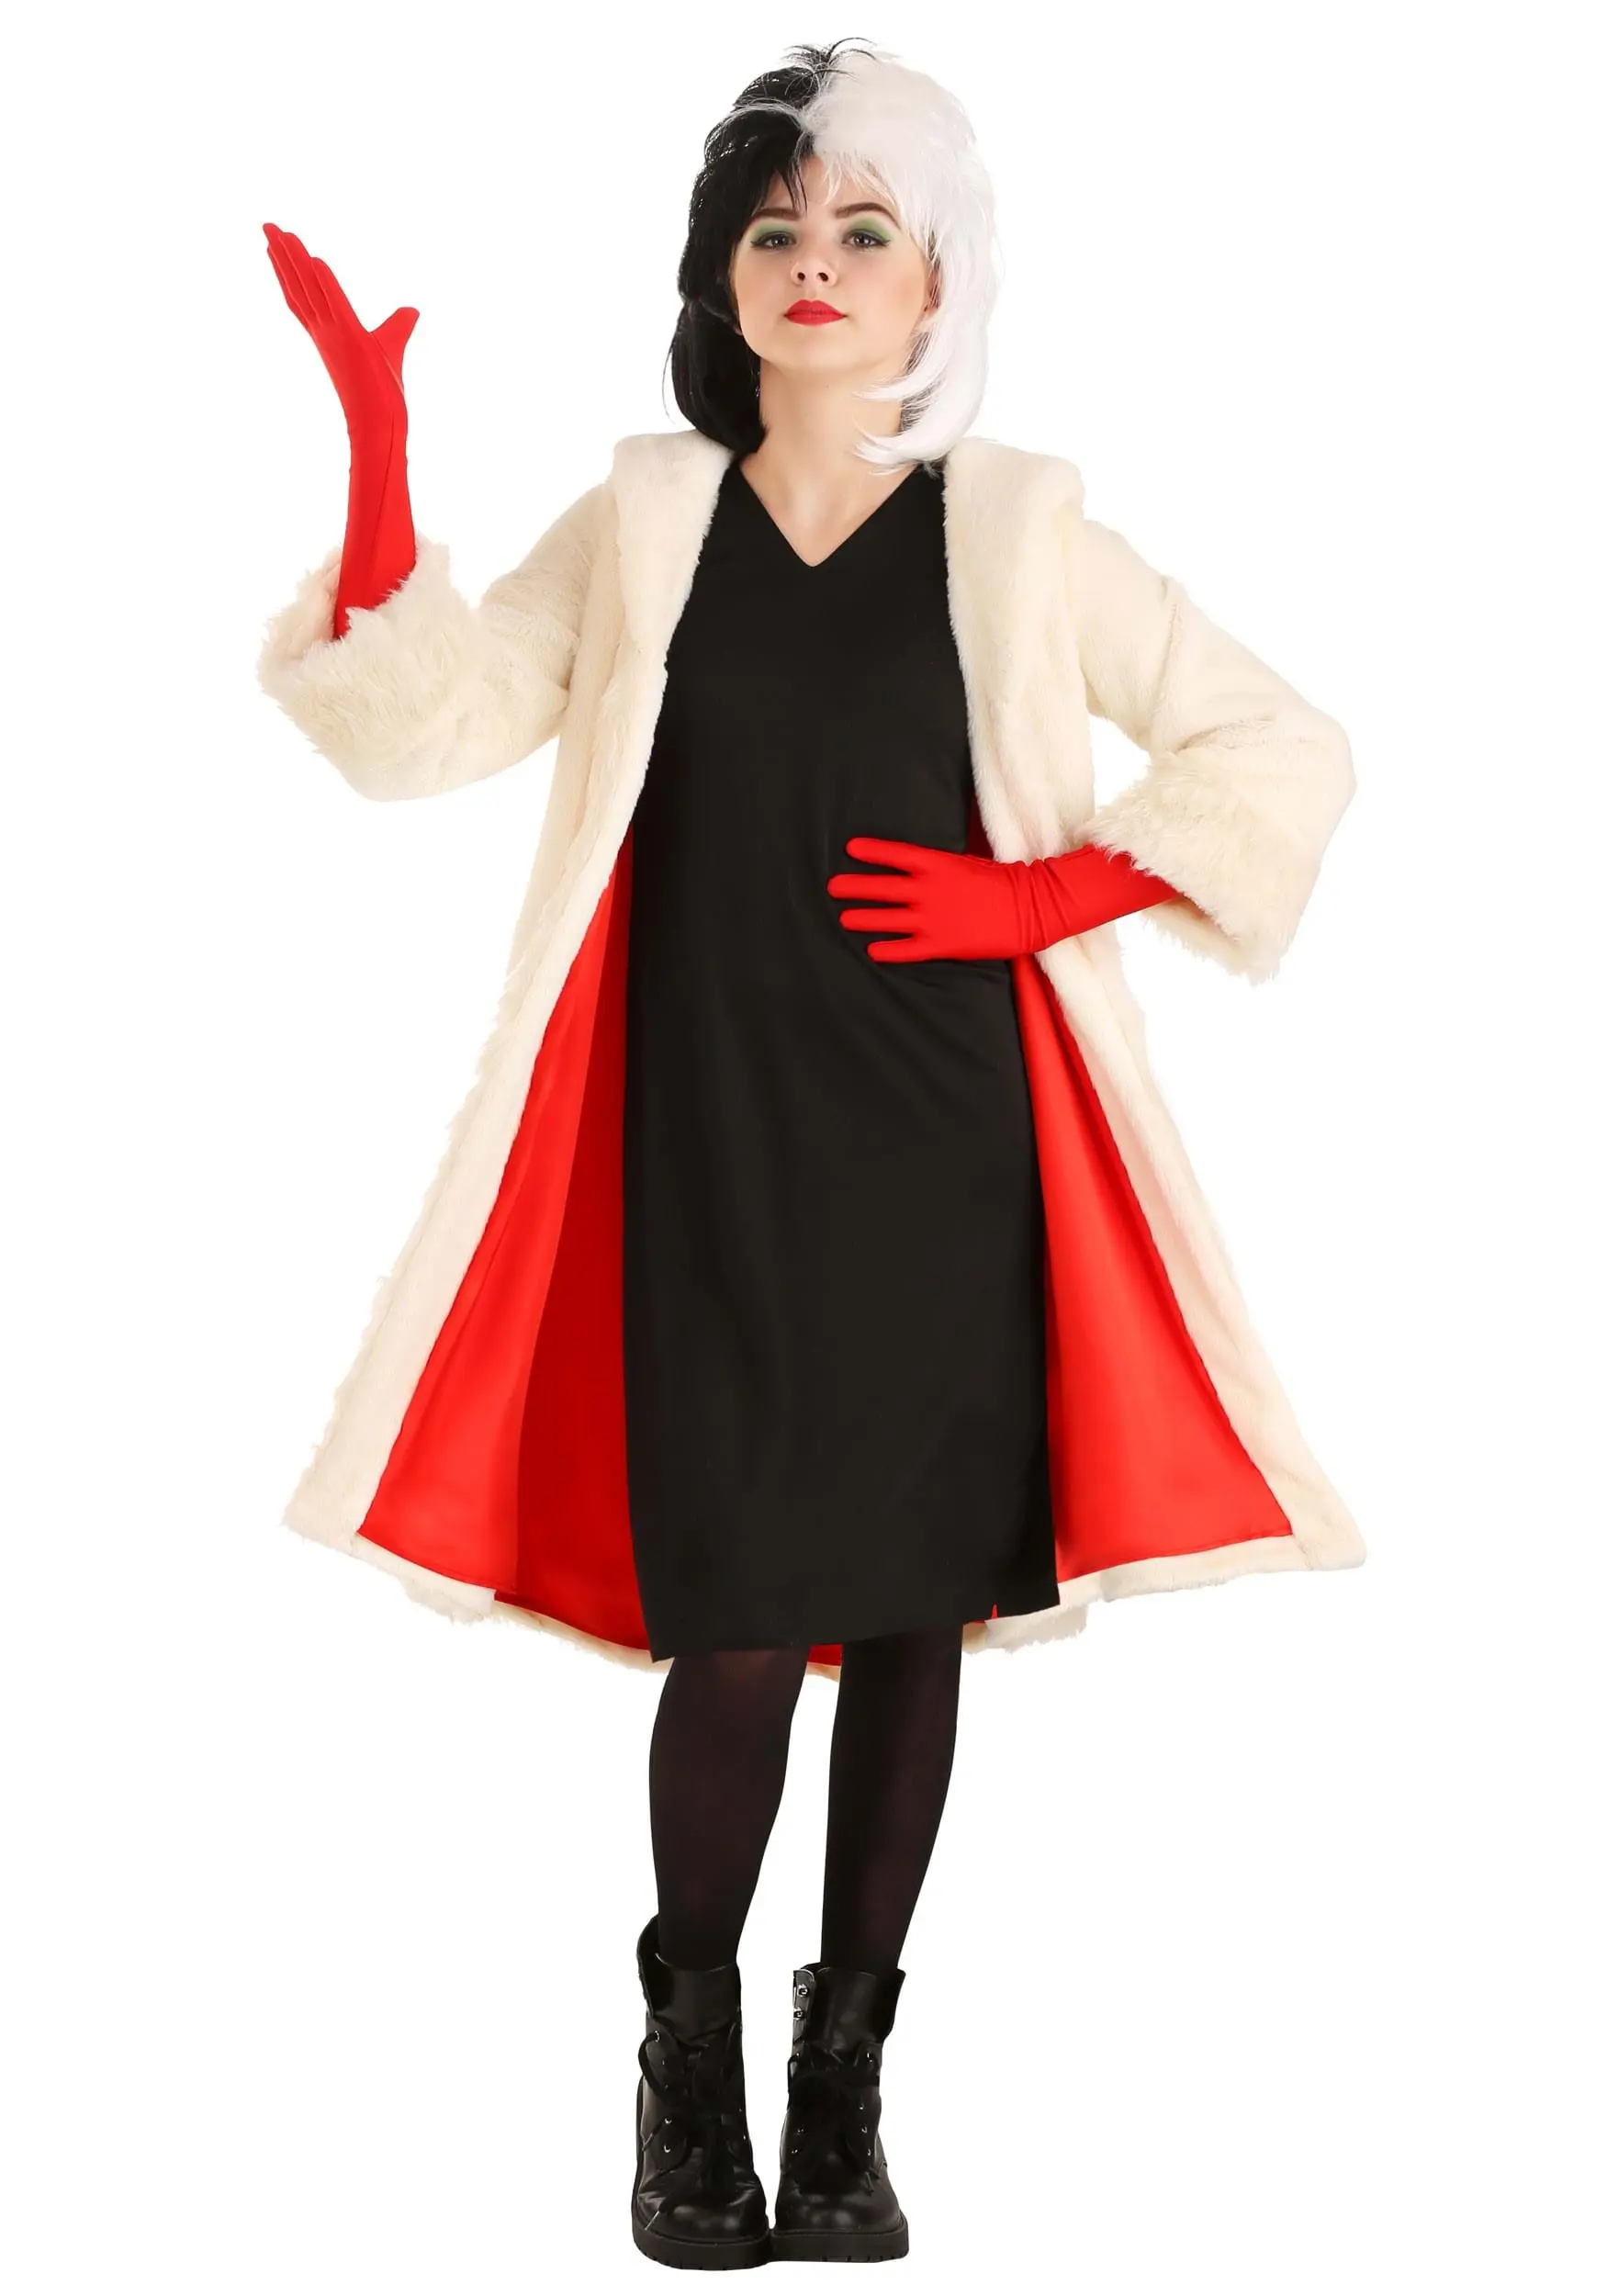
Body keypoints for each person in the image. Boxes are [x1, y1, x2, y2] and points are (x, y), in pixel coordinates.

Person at [257, 38, 1360, 2270]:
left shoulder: (1021, 526)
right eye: (776, 229)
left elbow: (1278, 743)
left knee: (909, 1616)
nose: (816, 262)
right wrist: (376, 464)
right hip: (711, 1146)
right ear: (723, 277)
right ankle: (684, 2068)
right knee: (743, 1615)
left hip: (945, 1146)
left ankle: (838, 2091)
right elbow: (440, 719)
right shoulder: (646, 517)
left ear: (938, 277)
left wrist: (1042, 896)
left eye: (863, 227)